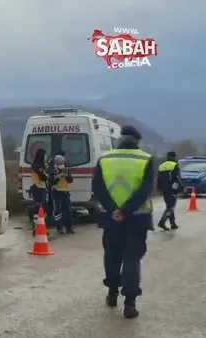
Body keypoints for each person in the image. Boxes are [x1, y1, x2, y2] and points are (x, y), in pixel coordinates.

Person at [92, 125, 153, 319]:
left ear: (121, 139)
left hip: (110, 220)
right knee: (131, 260)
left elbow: (98, 189)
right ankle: (129, 304)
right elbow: (144, 191)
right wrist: (125, 210)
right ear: (137, 141)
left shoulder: (104, 159)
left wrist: (113, 210)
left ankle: (111, 293)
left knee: (111, 257)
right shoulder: (145, 159)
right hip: (136, 220)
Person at [156, 151, 181, 231]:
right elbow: (177, 178)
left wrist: (159, 188)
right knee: (171, 207)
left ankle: (173, 224)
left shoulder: (161, 166)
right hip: (172, 189)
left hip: (164, 189)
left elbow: (158, 179)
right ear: (174, 157)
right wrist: (180, 188)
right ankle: (162, 222)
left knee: (169, 206)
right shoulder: (175, 165)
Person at [51, 154, 74, 234]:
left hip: (65, 193)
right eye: (60, 162)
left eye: (62, 162)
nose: (61, 164)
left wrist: (67, 176)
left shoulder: (65, 170)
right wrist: (58, 177)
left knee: (68, 211)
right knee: (58, 211)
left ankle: (69, 228)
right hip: (57, 193)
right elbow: (51, 182)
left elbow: (71, 180)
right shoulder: (53, 170)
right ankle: (59, 228)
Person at [29, 148, 49, 234]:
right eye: (44, 155)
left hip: (40, 188)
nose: (45, 157)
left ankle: (39, 227)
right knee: (39, 208)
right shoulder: (37, 166)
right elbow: (43, 177)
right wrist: (46, 174)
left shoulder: (37, 165)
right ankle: (37, 228)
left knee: (41, 209)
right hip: (38, 189)